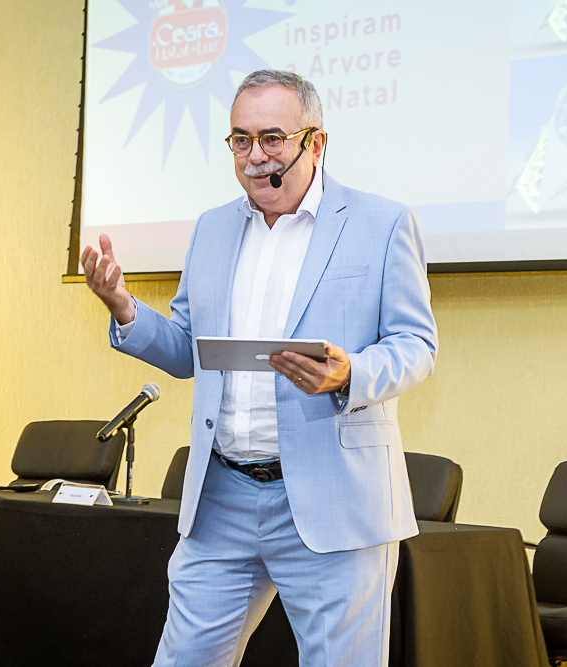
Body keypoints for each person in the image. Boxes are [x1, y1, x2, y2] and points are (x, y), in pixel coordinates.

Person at [81, 70, 437, 667]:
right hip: (223, 497)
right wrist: (123, 306)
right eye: (240, 140)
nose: (254, 156)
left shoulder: (382, 223)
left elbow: (416, 344)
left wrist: (349, 373)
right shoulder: (213, 228)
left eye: (272, 138)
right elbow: (188, 349)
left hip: (333, 499)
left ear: (316, 143)